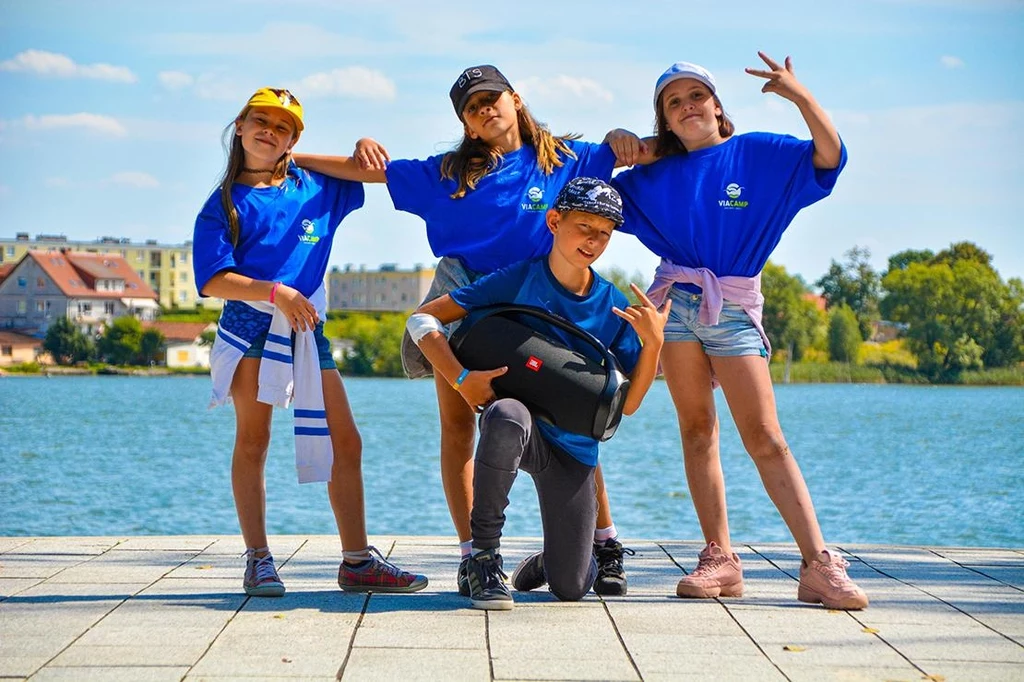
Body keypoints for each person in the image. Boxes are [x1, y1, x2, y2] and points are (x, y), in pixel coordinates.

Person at [295, 65, 653, 596]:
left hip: (540, 305)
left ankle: (603, 542)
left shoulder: (570, 159)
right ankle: (474, 556)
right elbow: (365, 171)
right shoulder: (446, 174)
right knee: (459, 425)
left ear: (515, 99)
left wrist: (636, 141)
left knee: (573, 418)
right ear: (466, 123)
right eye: (472, 106)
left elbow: (652, 152)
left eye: (493, 98)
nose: (486, 109)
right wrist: (287, 157)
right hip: (466, 305)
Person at [611, 54, 869, 610]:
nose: (687, 107)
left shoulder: (757, 154)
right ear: (665, 120)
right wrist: (630, 144)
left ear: (717, 104)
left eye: (695, 96)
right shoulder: (651, 177)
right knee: (697, 430)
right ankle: (720, 559)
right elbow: (588, 183)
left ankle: (817, 564)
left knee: (766, 437)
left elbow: (830, 156)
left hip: (732, 304)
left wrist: (799, 95)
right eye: (673, 103)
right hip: (675, 304)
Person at [192, 87, 428, 597]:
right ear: (240, 125)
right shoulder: (224, 204)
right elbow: (212, 280)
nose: (269, 132)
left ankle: (357, 561)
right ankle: (258, 558)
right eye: (261, 121)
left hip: (305, 328)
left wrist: (362, 143)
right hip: (253, 324)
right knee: (254, 440)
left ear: (295, 140)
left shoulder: (315, 185)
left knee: (346, 440)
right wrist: (276, 292)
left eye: (283, 128)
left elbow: (373, 173)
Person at [406, 177, 669, 610]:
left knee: (570, 587)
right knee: (507, 414)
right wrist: (459, 377)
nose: (594, 239)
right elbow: (422, 322)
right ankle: (484, 560)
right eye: (584, 226)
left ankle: (555, 559)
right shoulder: (518, 279)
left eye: (604, 232)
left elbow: (631, 405)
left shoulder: (612, 305)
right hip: (518, 428)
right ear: (553, 221)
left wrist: (653, 345)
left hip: (573, 451)